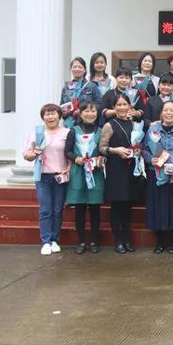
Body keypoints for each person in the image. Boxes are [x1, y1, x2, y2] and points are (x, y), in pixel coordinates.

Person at [99, 93, 145, 254]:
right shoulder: (109, 125)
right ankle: (118, 241)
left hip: (131, 168)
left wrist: (138, 150)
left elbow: (139, 144)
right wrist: (115, 150)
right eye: (118, 105)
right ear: (114, 107)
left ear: (130, 106)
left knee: (127, 206)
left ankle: (127, 240)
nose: (122, 107)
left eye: (125, 104)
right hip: (116, 169)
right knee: (117, 206)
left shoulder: (135, 125)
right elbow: (102, 148)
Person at [23, 104, 70, 256]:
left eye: (53, 113)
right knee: (45, 210)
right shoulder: (37, 133)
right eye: (47, 114)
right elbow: (27, 155)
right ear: (43, 117)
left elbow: (71, 153)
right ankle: (46, 241)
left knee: (57, 209)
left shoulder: (67, 132)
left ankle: (55, 240)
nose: (50, 117)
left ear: (59, 116)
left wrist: (69, 169)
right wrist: (35, 153)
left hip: (60, 176)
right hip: (43, 176)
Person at [143, 101, 173, 254]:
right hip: (156, 174)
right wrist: (151, 159)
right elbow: (144, 149)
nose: (169, 113)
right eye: (166, 110)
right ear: (161, 113)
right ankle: (160, 241)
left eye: (172, 110)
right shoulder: (152, 130)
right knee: (158, 207)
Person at [64, 101, 105, 254]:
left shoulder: (101, 131)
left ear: (97, 113)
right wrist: (76, 159)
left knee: (95, 208)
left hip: (95, 173)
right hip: (78, 173)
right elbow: (67, 151)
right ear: (80, 114)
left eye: (93, 111)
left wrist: (101, 159)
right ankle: (81, 241)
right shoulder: (73, 131)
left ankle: (94, 241)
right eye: (86, 111)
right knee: (80, 208)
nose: (90, 114)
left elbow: (104, 151)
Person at [59, 57, 102, 129]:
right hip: (69, 125)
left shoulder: (92, 86)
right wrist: (66, 111)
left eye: (80, 67)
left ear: (85, 70)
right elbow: (61, 107)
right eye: (74, 67)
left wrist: (83, 111)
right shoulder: (66, 88)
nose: (77, 69)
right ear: (71, 69)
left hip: (87, 124)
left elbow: (99, 105)